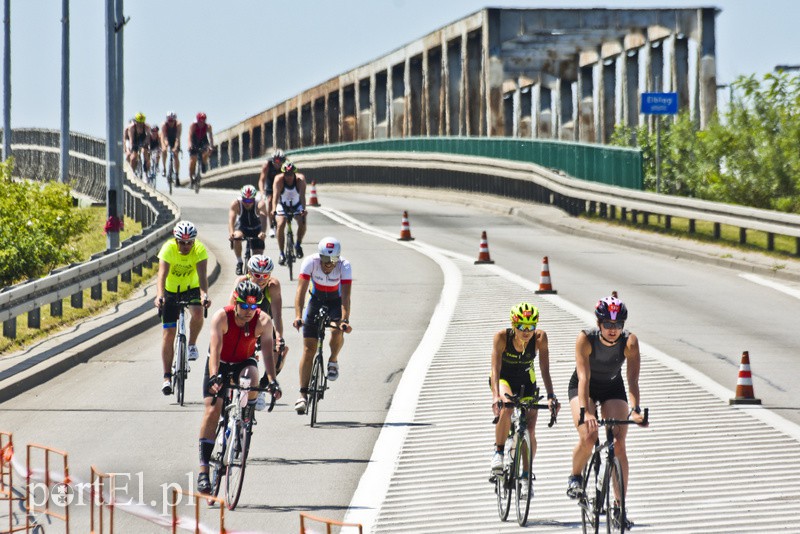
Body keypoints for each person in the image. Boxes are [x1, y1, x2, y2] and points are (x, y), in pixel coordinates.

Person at [566, 294, 647, 528]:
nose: (613, 330)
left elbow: (632, 380)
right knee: (589, 436)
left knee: (619, 443)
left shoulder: (630, 342)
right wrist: (586, 412)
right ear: (599, 323)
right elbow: (583, 378)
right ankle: (575, 476)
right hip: (584, 387)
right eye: (608, 324)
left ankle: (620, 507)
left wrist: (636, 410)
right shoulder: (585, 339)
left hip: (613, 386)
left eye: (618, 324)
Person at [196, 280, 282, 494]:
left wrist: (272, 380)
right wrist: (214, 377)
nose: (249, 311)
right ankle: (203, 471)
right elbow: (215, 350)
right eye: (244, 305)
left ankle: (245, 416)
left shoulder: (263, 321)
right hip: (219, 363)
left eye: (254, 306)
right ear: (235, 302)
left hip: (243, 362)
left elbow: (268, 353)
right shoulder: (221, 317)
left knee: (252, 375)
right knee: (213, 410)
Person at [490, 303, 558, 477]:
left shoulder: (540, 338)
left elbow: (545, 369)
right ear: (513, 325)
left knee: (530, 429)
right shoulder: (501, 337)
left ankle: (527, 475)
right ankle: (498, 452)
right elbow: (495, 368)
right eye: (522, 326)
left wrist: (551, 396)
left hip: (526, 380)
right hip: (503, 378)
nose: (526, 331)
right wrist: (496, 396)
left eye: (531, 327)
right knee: (507, 406)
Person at [292, 237, 352, 414]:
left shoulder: (344, 266)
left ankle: (333, 360)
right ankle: (302, 395)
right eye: (325, 259)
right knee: (308, 349)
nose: (328, 264)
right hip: (316, 300)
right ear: (320, 256)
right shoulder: (310, 262)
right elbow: (300, 291)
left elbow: (346, 297)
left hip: (335, 302)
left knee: (336, 330)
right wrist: (298, 316)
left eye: (333, 260)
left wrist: (345, 320)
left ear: (338, 258)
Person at [154, 221, 212, 395]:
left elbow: (202, 276)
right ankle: (166, 377)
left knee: (197, 312)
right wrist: (159, 296)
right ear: (176, 240)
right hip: (171, 291)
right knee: (169, 333)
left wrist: (204, 295)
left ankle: (192, 344)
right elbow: (161, 275)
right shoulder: (168, 249)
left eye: (189, 242)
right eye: (182, 242)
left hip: (191, 288)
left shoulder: (199, 249)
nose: (186, 246)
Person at [229, 254, 288, 410]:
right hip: (241, 325)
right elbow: (230, 310)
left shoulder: (273, 286)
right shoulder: (241, 282)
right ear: (249, 272)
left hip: (262, 326)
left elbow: (277, 315)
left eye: (265, 276)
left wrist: (279, 337)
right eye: (257, 275)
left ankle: (262, 387)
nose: (261, 279)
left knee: (280, 351)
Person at [272, 161, 307, 265]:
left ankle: (298, 244)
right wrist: (273, 209)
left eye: (291, 174)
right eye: (286, 174)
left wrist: (303, 210)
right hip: (283, 205)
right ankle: (281, 253)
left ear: (294, 173)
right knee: (281, 223)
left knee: (302, 222)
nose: (289, 177)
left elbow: (302, 197)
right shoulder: (278, 180)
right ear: (283, 174)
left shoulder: (300, 180)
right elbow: (275, 197)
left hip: (296, 204)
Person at [228, 185, 268, 275]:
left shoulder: (260, 204)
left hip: (256, 228)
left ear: (254, 199)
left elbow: (264, 219)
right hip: (242, 227)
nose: (247, 203)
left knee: (257, 257)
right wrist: (231, 233)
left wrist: (262, 232)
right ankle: (239, 262)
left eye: (250, 201)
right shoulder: (236, 203)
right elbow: (231, 220)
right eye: (245, 200)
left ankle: (254, 272)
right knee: (237, 237)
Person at [258, 148, 286, 238]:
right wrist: (262, 192)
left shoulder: (286, 165)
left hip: (282, 183)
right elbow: (261, 180)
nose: (278, 164)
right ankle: (272, 225)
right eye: (276, 161)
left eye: (280, 162)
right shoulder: (267, 165)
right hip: (270, 184)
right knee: (270, 201)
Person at [188, 112, 213, 181]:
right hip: (194, 140)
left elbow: (210, 137)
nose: (201, 123)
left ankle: (203, 163)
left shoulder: (208, 126)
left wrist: (211, 146)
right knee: (193, 159)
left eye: (203, 121)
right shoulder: (193, 125)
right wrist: (190, 145)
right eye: (200, 121)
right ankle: (191, 177)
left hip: (203, 140)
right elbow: (189, 136)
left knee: (207, 150)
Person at [160, 111, 182, 184]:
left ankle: (177, 174)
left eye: (172, 121)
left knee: (176, 155)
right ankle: (164, 168)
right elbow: (163, 137)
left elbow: (178, 137)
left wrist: (175, 147)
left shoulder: (178, 124)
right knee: (164, 151)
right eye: (169, 120)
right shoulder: (164, 125)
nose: (170, 122)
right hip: (166, 138)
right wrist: (165, 145)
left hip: (175, 139)